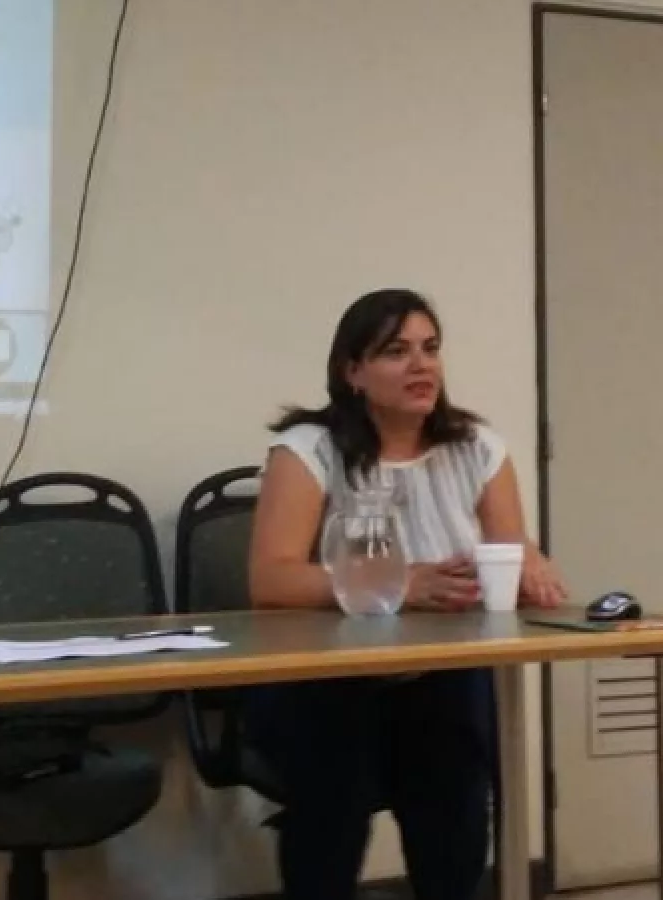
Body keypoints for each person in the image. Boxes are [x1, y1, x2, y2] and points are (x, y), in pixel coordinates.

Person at [245, 287, 567, 900]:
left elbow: (512, 548)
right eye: (396, 351)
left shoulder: (475, 447)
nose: (421, 366)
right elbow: (271, 580)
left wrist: (531, 565)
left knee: (455, 813)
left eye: (430, 348)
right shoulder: (308, 449)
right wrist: (400, 583)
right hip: (326, 679)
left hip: (443, 675)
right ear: (353, 371)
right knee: (331, 814)